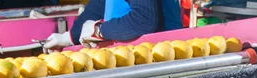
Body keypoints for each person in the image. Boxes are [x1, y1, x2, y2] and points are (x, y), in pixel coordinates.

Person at [44, 0, 182, 49]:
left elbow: (143, 19)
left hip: (158, 64)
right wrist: (69, 37)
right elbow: (98, 6)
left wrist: (98, 30)